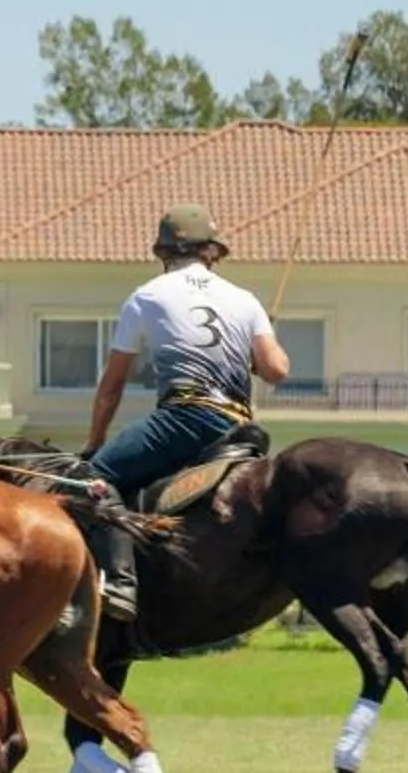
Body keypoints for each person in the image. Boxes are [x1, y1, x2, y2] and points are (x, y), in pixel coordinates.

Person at [81, 205, 289, 615]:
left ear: (163, 252)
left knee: (92, 480)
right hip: (238, 426)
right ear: (211, 251)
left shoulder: (147, 296)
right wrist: (262, 337)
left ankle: (120, 581)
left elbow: (112, 386)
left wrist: (95, 443)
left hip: (185, 418)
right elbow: (276, 369)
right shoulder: (243, 299)